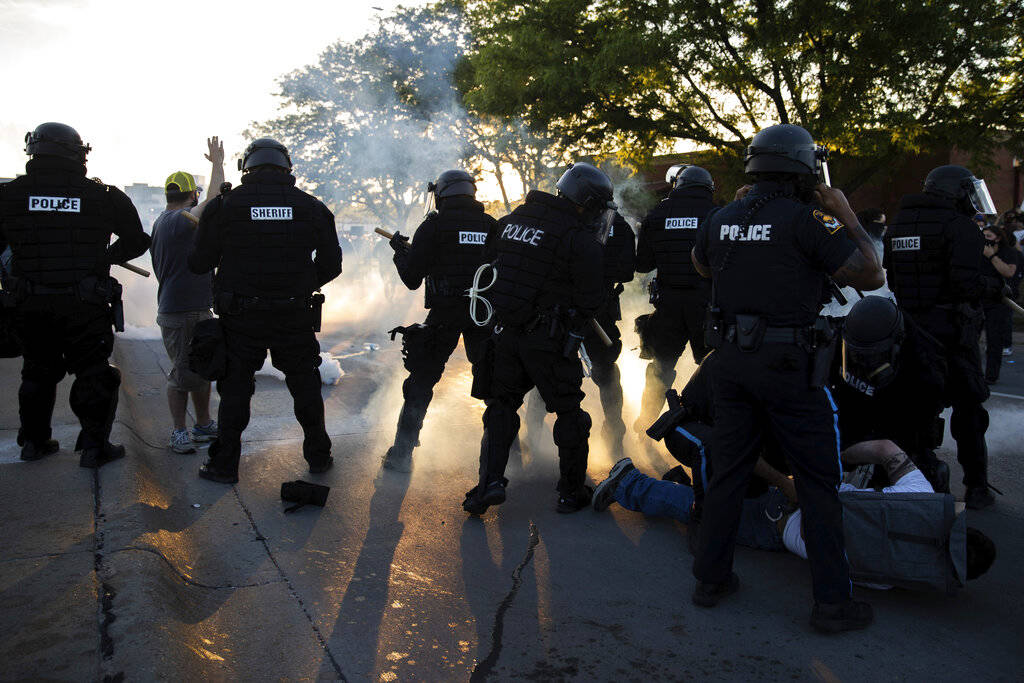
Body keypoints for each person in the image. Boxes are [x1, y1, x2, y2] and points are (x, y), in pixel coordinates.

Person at [690, 123, 884, 632]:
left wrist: (740, 218)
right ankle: (833, 604)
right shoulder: (810, 220)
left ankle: (710, 579)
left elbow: (704, 268)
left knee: (729, 469)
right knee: (819, 483)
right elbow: (871, 275)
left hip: (729, 365)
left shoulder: (720, 217)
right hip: (790, 367)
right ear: (802, 167)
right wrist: (844, 211)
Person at [593, 443, 995, 593]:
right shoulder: (902, 576)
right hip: (788, 526)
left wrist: (837, 456)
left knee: (712, 509)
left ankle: (647, 485)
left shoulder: (922, 498)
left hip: (801, 500)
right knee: (711, 512)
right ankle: (640, 484)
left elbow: (887, 449)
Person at [188, 138, 342, 484]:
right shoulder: (311, 207)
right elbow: (332, 264)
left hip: (241, 318)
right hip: (294, 316)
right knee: (305, 386)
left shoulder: (225, 206)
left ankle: (224, 465)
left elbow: (198, 263)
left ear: (248, 168)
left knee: (236, 391)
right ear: (287, 169)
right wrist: (300, 285)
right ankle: (319, 457)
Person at [463, 162, 613, 515]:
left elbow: (491, 270)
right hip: (548, 339)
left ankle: (488, 485)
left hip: (504, 334)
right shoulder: (578, 238)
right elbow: (591, 299)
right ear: (586, 202)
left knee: (500, 409)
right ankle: (570, 492)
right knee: (569, 414)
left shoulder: (510, 221)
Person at [0, 122, 150, 466]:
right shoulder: (104, 196)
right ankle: (95, 449)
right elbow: (137, 240)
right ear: (79, 154)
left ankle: (34, 443)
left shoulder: (9, 196)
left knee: (36, 372)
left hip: (30, 303)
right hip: (85, 303)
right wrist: (104, 258)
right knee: (94, 372)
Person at [883, 165, 1005, 509]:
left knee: (917, 412)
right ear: (956, 192)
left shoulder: (897, 226)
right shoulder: (960, 227)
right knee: (969, 413)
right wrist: (994, 288)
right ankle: (977, 487)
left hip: (910, 332)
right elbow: (965, 285)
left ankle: (921, 483)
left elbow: (893, 281)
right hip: (952, 334)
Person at [380, 170, 498, 472]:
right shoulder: (490, 225)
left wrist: (399, 254)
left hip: (445, 313)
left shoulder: (433, 225)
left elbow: (411, 279)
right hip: (481, 312)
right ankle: (506, 451)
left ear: (441, 194)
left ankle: (402, 455)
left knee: (421, 382)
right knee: (496, 384)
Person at [521, 210, 635, 451]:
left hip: (560, 311)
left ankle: (532, 438)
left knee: (547, 370)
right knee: (607, 372)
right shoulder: (620, 225)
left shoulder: (561, 221)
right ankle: (614, 434)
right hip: (598, 310)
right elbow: (627, 272)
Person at [150, 137, 225, 454]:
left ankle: (204, 425)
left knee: (201, 368)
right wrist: (218, 166)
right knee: (182, 374)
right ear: (191, 195)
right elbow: (214, 200)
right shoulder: (180, 222)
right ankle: (179, 432)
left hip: (191, 308)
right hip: (181, 313)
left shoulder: (163, 221)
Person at [634, 165, 716, 430]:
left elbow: (643, 264)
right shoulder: (717, 214)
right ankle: (710, 430)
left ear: (677, 186)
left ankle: (646, 424)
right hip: (707, 306)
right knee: (713, 367)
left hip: (667, 305)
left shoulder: (657, 214)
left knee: (661, 368)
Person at [980, 225, 1019, 382]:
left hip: (998, 301)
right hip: (978, 299)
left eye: (988, 236)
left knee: (994, 342)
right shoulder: (978, 251)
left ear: (998, 238)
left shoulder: (1009, 253)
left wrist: (991, 256)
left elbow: (1009, 272)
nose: (985, 239)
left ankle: (991, 375)